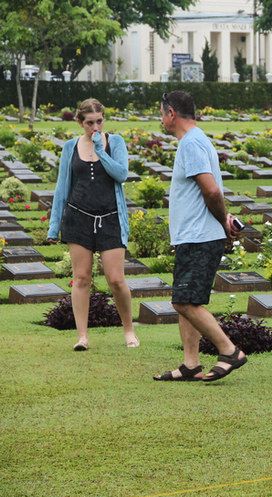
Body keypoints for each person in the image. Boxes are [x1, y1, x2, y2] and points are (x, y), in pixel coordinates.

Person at [152, 91, 246, 382]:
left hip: (199, 236)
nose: (160, 118)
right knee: (187, 301)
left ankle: (229, 351)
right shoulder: (197, 139)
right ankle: (190, 363)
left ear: (171, 114)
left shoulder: (191, 144)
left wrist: (221, 223)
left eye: (161, 113)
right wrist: (226, 220)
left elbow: (211, 190)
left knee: (184, 302)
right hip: (192, 234)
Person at [47, 98, 139, 351]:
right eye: (90, 123)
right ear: (80, 122)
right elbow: (61, 188)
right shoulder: (70, 147)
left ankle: (129, 330)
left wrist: (100, 149)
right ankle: (82, 337)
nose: (95, 127)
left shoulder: (115, 142)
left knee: (116, 279)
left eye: (99, 121)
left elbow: (121, 175)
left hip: (110, 217)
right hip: (78, 218)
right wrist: (54, 226)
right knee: (81, 278)